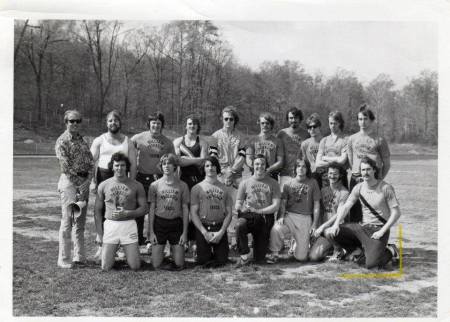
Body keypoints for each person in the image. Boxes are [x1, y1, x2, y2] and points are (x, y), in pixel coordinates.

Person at [326, 157, 400, 269]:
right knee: (330, 232)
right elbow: (346, 207)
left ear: (374, 170)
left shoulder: (386, 188)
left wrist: (382, 231)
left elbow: (396, 213)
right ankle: (356, 251)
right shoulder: (358, 187)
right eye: (363, 170)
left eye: (368, 169)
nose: (365, 173)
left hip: (379, 230)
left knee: (370, 265)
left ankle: (391, 250)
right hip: (363, 228)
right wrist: (336, 224)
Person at [90, 110, 137, 259]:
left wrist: (133, 183)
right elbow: (91, 162)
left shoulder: (127, 141)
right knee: (102, 211)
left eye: (116, 120)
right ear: (106, 123)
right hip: (103, 177)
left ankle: (122, 246)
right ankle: (102, 244)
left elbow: (134, 165)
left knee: (122, 212)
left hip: (123, 179)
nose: (113, 123)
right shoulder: (99, 140)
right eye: (110, 120)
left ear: (120, 123)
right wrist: (92, 181)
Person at [94, 153, 147, 271]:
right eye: (117, 165)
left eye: (122, 165)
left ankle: (129, 254)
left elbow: (144, 208)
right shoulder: (104, 185)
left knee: (135, 266)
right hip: (111, 225)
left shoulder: (136, 185)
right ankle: (111, 253)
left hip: (128, 224)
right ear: (112, 167)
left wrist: (128, 213)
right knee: (105, 267)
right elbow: (97, 210)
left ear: (127, 167)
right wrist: (99, 233)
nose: (119, 168)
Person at [55, 109, 94, 268]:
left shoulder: (83, 141)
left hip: (83, 184)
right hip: (71, 185)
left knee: (80, 222)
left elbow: (91, 162)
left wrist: (88, 181)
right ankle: (64, 259)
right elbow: (65, 167)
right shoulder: (62, 141)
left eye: (78, 121)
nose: (75, 124)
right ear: (66, 122)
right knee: (69, 220)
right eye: (72, 121)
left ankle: (80, 256)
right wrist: (79, 185)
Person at [131, 112, 175, 247]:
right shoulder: (138, 138)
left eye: (158, 123)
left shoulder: (167, 142)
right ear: (149, 124)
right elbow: (127, 152)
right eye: (153, 123)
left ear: (162, 125)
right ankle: (138, 238)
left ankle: (153, 239)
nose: (156, 125)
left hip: (159, 180)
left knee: (155, 210)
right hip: (141, 177)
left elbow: (173, 162)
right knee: (139, 209)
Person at [267, 158, 321, 263]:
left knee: (301, 258)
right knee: (276, 229)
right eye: (299, 166)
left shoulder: (313, 183)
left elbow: (317, 204)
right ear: (295, 169)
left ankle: (295, 244)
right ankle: (274, 254)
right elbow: (283, 203)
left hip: (305, 218)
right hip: (290, 216)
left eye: (304, 166)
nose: (301, 169)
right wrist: (281, 216)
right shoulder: (288, 183)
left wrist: (314, 224)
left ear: (308, 169)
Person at [347, 104, 390, 222]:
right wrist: (357, 173)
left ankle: (373, 237)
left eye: (366, 119)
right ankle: (355, 238)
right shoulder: (351, 139)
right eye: (360, 119)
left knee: (373, 212)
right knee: (354, 212)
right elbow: (351, 161)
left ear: (371, 120)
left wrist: (379, 178)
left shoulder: (379, 139)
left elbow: (387, 163)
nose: (363, 122)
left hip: (373, 179)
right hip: (356, 178)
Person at [234, 154, 281, 266]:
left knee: (259, 259)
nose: (259, 166)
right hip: (249, 216)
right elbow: (238, 203)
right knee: (240, 224)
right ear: (253, 166)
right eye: (257, 164)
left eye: (262, 164)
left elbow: (276, 206)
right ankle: (244, 256)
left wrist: (259, 211)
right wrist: (240, 207)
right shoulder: (245, 183)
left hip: (265, 218)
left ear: (266, 166)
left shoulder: (273, 183)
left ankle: (256, 248)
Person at [211, 106, 246, 248]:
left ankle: (234, 239)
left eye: (231, 119)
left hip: (236, 176)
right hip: (220, 175)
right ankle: (220, 235)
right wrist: (224, 172)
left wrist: (231, 172)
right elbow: (213, 156)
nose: (228, 121)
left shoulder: (241, 136)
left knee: (235, 208)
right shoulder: (215, 136)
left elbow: (242, 156)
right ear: (222, 119)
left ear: (235, 120)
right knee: (219, 207)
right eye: (226, 119)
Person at [147, 154, 189, 270]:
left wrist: (184, 233)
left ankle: (173, 253)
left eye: (169, 163)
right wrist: (151, 232)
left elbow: (185, 209)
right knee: (155, 265)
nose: (166, 166)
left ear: (175, 166)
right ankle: (161, 254)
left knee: (180, 264)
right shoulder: (154, 185)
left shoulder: (183, 185)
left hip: (176, 224)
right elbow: (151, 209)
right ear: (161, 166)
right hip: (160, 224)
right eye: (164, 163)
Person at [190, 156, 233, 267]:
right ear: (204, 169)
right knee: (203, 261)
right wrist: (204, 232)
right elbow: (193, 213)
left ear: (217, 168)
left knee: (222, 261)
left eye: (213, 165)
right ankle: (197, 248)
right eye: (207, 166)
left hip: (219, 227)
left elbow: (229, 213)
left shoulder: (225, 188)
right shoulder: (197, 188)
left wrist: (222, 231)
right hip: (204, 227)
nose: (210, 168)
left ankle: (216, 250)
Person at [309, 163, 349, 262]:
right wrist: (316, 226)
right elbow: (320, 210)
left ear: (340, 175)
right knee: (313, 257)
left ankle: (338, 249)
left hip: (336, 229)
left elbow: (339, 214)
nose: (332, 176)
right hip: (324, 230)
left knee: (328, 231)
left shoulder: (344, 192)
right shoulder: (323, 190)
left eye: (335, 174)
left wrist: (323, 227)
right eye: (330, 173)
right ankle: (331, 248)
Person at [277, 107, 309, 188]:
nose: (293, 120)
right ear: (287, 119)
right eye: (291, 118)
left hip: (301, 173)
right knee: (284, 199)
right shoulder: (282, 133)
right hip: (285, 174)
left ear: (300, 119)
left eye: (296, 118)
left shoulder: (306, 134)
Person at [173, 114, 208, 189]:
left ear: (198, 126)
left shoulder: (203, 143)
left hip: (199, 180)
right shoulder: (177, 142)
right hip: (181, 180)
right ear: (185, 126)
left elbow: (202, 164)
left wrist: (187, 157)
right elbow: (179, 162)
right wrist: (198, 159)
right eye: (190, 124)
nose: (192, 126)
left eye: (194, 124)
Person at [246, 112, 284, 181]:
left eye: (267, 123)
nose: (265, 125)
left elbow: (280, 161)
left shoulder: (278, 141)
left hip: (271, 174)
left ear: (271, 125)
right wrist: (257, 169)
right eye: (262, 123)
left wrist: (268, 170)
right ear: (259, 124)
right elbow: (248, 158)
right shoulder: (252, 140)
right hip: (256, 174)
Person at [315, 111, 349, 188]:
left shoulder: (346, 139)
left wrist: (325, 158)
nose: (333, 126)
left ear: (339, 123)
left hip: (340, 176)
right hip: (325, 177)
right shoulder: (324, 140)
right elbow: (317, 163)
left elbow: (342, 161)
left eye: (335, 123)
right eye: (331, 123)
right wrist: (336, 160)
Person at [301, 113, 324, 188]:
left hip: (325, 176)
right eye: (309, 127)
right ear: (308, 130)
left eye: (314, 126)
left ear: (319, 127)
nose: (312, 129)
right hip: (312, 176)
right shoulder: (304, 144)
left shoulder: (326, 141)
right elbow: (305, 162)